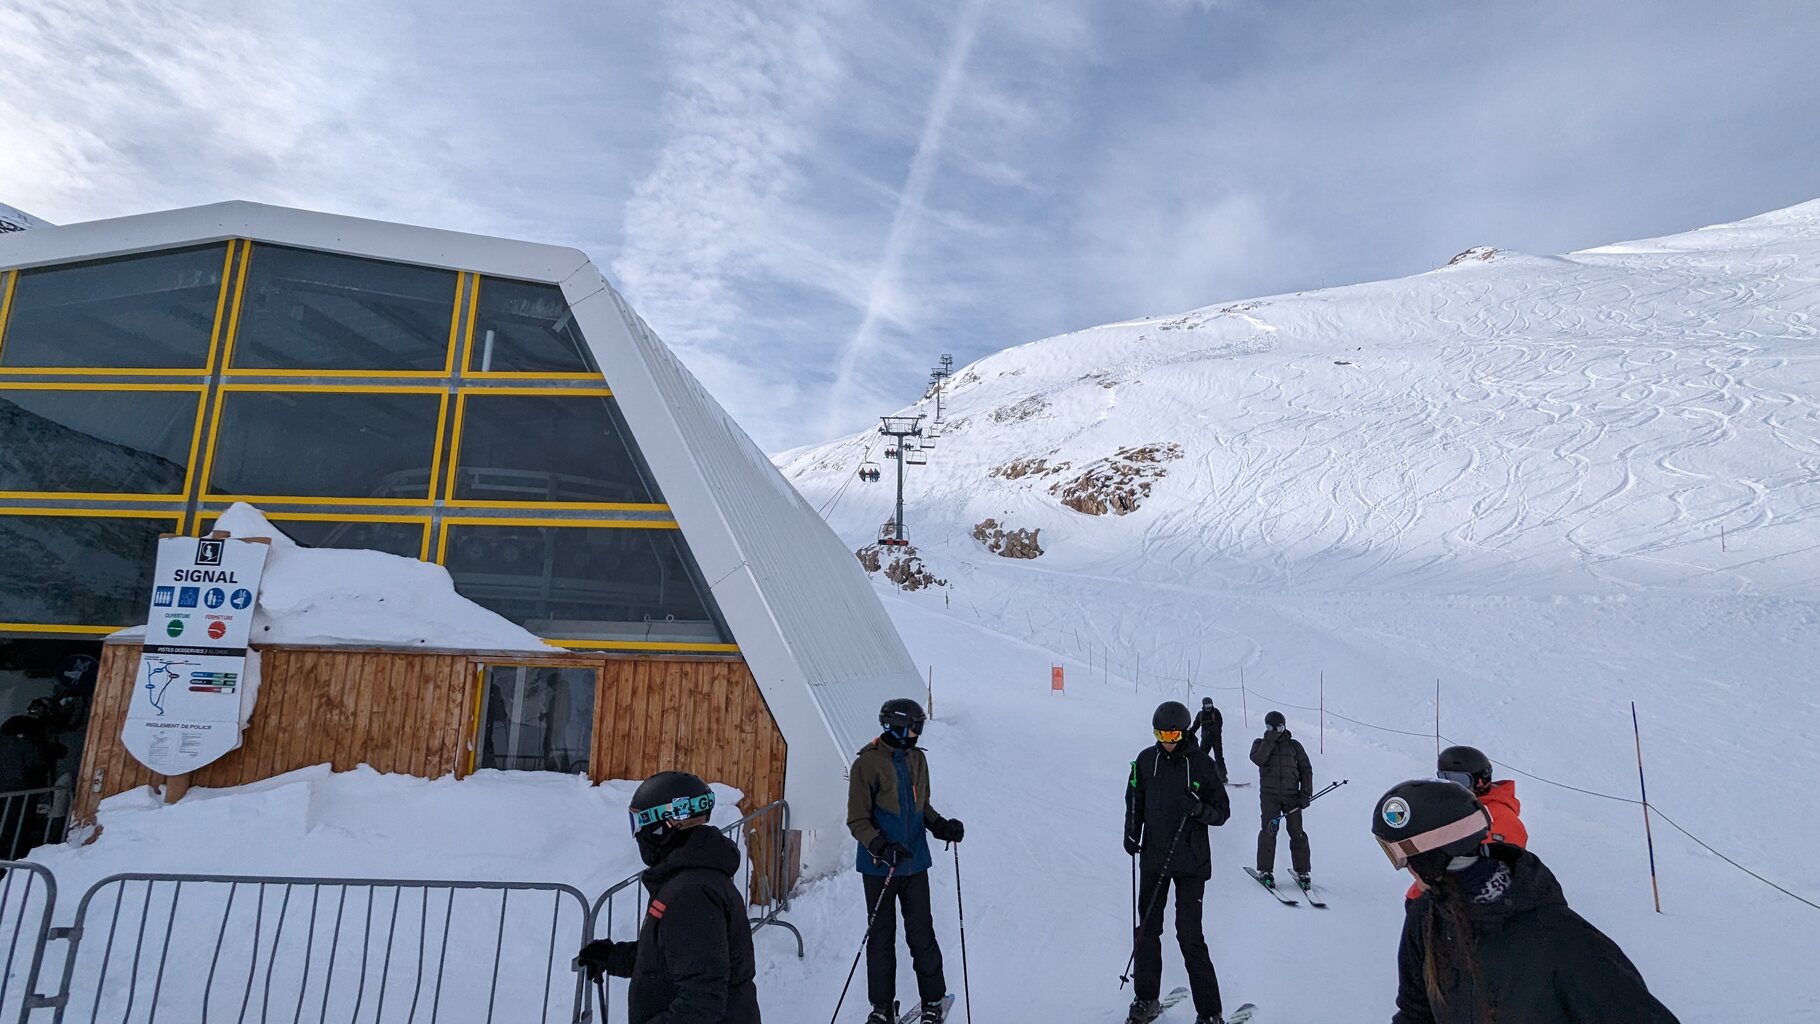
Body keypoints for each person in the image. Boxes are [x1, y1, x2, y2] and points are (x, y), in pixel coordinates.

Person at [1372, 779, 1681, 1023]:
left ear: (1431, 857)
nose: (1405, 868)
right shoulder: (1426, 918)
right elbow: (1416, 1013)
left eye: (1401, 856)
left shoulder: (1560, 940)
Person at [575, 771, 760, 1024]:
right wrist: (615, 957)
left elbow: (700, 1003)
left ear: (664, 826)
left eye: (640, 823)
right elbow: (675, 957)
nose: (639, 834)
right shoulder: (692, 879)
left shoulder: (691, 893)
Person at [848, 698, 964, 1024]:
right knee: (881, 938)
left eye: (920, 726)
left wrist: (941, 826)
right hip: (879, 867)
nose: (918, 733)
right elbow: (857, 820)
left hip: (914, 864)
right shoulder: (866, 765)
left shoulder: (916, 760)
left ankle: (933, 1000)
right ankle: (881, 1008)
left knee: (921, 934)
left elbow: (921, 806)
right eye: (914, 727)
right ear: (896, 727)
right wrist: (882, 847)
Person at [1123, 701, 1231, 1024]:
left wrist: (1199, 810)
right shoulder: (1144, 761)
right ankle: (1145, 998)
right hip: (1155, 859)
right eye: (1160, 733)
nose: (1166, 739)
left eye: (1172, 733)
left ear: (1184, 732)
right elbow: (1134, 799)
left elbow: (1222, 811)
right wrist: (1131, 833)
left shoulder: (1201, 765)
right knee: (1147, 931)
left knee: (1189, 935)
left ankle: (1210, 1013)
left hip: (1191, 863)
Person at [1407, 745, 1527, 900]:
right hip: (1431, 894)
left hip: (1467, 902)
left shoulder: (1501, 819)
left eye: (1460, 780)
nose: (1452, 786)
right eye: (1444, 778)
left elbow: (1492, 872)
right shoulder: (1458, 807)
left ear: (1481, 781)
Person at [1249, 710, 1313, 891]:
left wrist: (1305, 793)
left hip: (1292, 796)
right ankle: (1265, 870)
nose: (1276, 730)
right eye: (1271, 727)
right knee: (1269, 831)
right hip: (1270, 796)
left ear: (1285, 726)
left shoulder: (1294, 746)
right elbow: (1258, 759)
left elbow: (1306, 769)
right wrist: (1269, 739)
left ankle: (1303, 871)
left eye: (1279, 727)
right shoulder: (1260, 744)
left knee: (1297, 832)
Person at [1186, 697, 1227, 784]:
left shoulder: (1216, 713)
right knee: (1201, 758)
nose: (1208, 707)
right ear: (1203, 705)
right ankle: (1199, 775)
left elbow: (1218, 725)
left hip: (1216, 740)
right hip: (1205, 741)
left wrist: (1209, 730)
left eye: (1210, 705)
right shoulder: (1200, 715)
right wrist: (1188, 734)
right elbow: (1195, 726)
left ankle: (1222, 777)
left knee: (1219, 758)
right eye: (1206, 705)